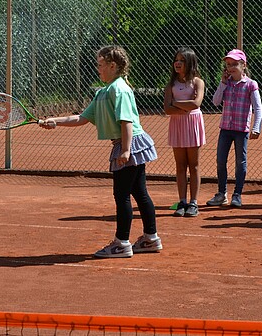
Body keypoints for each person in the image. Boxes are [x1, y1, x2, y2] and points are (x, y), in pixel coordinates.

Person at [40, 45, 161, 258]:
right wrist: (55, 121)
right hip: (129, 143)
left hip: (129, 143)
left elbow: (126, 121)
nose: (98, 69)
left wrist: (125, 150)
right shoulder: (104, 92)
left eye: (101, 65)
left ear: (113, 66)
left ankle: (122, 243)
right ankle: (150, 239)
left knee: (122, 195)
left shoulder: (118, 89)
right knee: (139, 192)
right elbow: (82, 118)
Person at [206, 49, 262, 208]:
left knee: (240, 162)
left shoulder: (251, 84)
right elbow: (216, 102)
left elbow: (258, 108)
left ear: (243, 65)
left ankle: (237, 194)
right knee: (220, 161)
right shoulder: (226, 83)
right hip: (225, 129)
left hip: (241, 130)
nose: (230, 67)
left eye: (234, 64)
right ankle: (221, 194)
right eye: (228, 64)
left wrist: (256, 127)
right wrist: (222, 83)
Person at [163, 47, 206, 217]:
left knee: (193, 165)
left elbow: (196, 104)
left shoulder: (198, 82)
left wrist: (176, 103)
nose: (177, 63)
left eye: (182, 60)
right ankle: (182, 202)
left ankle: (193, 203)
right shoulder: (171, 85)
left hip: (193, 123)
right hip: (177, 124)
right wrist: (183, 106)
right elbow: (167, 109)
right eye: (176, 60)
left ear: (190, 63)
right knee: (180, 166)